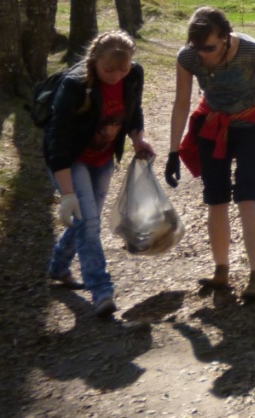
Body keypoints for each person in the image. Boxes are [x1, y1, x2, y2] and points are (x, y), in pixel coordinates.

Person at [164, 6, 255, 302]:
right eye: (197, 48)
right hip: (214, 124)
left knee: (247, 196)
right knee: (215, 198)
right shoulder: (188, 57)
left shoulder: (251, 52)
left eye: (210, 47)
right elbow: (181, 103)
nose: (203, 54)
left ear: (227, 37)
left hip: (250, 125)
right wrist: (172, 149)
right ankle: (221, 271)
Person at [44, 30, 153, 318]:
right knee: (89, 222)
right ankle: (101, 289)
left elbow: (134, 110)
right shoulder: (74, 85)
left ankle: (58, 266)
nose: (117, 75)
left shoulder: (133, 76)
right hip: (70, 160)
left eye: (124, 68)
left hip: (102, 159)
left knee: (87, 220)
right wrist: (67, 194)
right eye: (109, 70)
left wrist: (137, 139)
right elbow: (57, 139)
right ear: (94, 62)